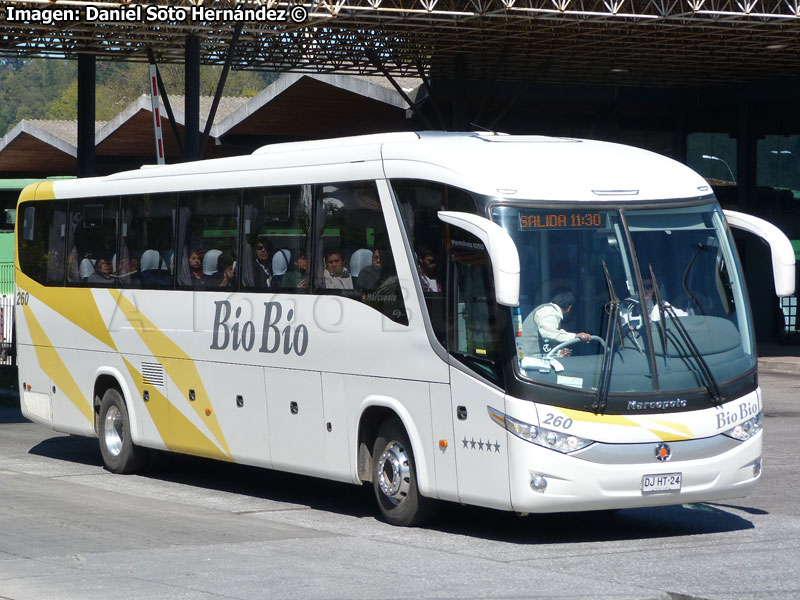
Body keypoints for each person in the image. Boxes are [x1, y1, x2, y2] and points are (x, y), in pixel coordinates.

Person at [520, 290, 591, 357]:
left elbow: (545, 342)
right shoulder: (549, 311)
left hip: (537, 359)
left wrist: (558, 353)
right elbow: (548, 333)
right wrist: (575, 336)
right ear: (569, 308)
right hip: (530, 360)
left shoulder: (549, 311)